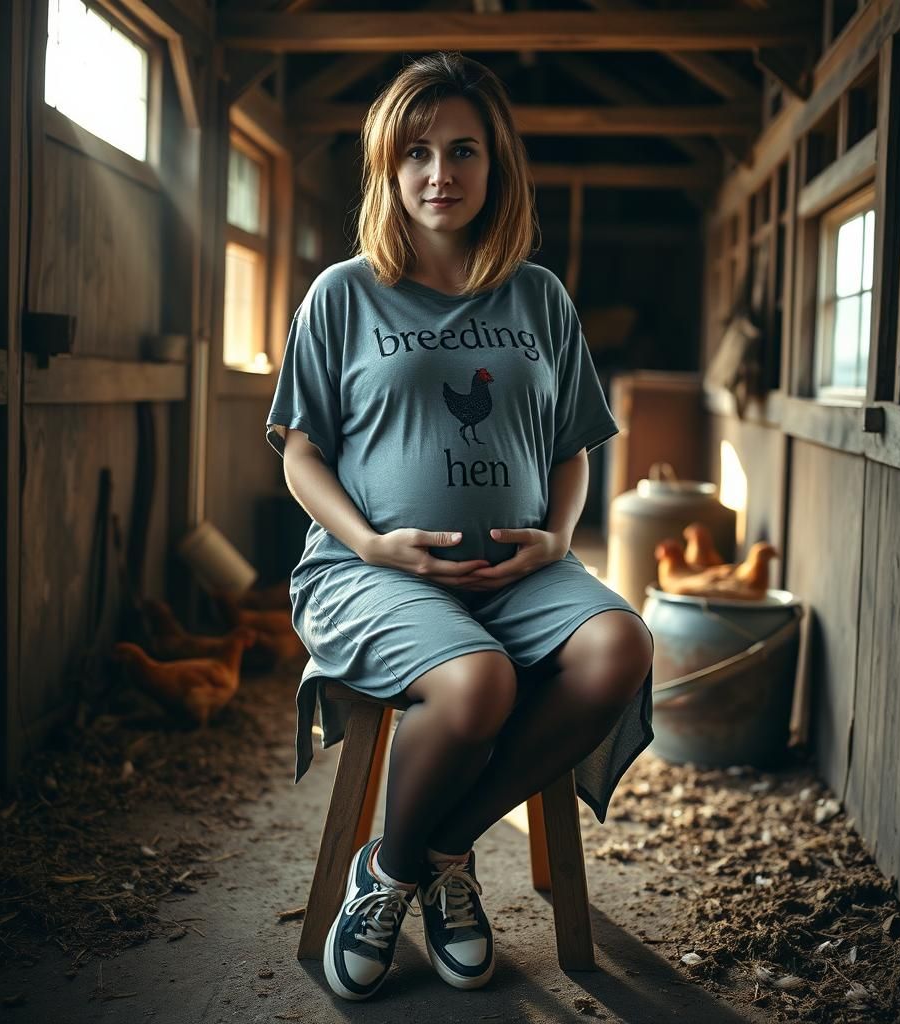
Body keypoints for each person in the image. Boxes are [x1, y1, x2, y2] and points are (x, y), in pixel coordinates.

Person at [264, 51, 654, 1002]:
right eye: (418, 153)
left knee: (619, 648)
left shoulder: (539, 296)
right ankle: (406, 873)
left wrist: (560, 539)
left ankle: (419, 856)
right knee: (476, 684)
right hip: (373, 572)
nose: (441, 173)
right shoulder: (343, 293)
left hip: (524, 571)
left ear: (497, 165)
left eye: (464, 150)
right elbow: (299, 451)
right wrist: (369, 541)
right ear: (389, 170)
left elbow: (573, 447)